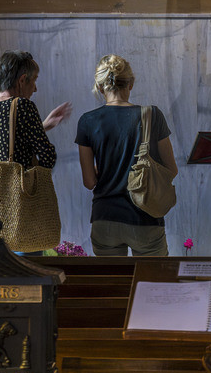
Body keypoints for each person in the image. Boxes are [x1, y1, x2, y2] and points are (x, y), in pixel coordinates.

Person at [75, 54, 177, 256]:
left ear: (101, 87)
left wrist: (108, 166)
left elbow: (89, 181)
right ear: (131, 84)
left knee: (112, 285)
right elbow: (171, 169)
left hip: (105, 218)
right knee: (153, 284)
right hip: (146, 218)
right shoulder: (152, 115)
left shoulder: (87, 121)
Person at [0, 50, 71, 221]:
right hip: (18, 209)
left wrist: (42, 126)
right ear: (22, 80)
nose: (35, 88)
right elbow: (47, 156)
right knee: (28, 247)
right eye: (34, 80)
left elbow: (4, 145)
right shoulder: (24, 106)